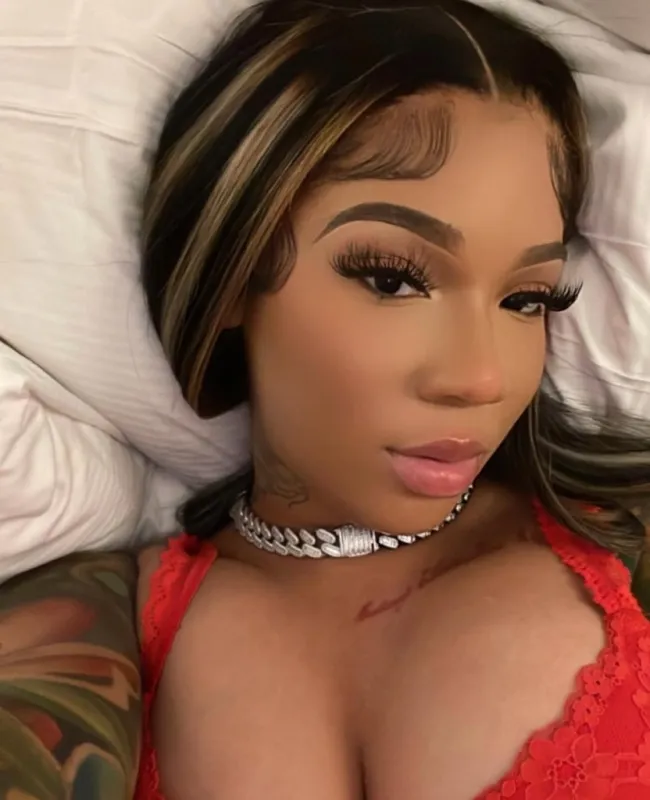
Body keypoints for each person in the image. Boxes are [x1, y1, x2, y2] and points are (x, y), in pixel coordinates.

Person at [2, 1, 650, 798]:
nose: (481, 377)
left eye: (527, 299)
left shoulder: (622, 537)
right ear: (235, 271)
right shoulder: (97, 618)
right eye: (392, 279)